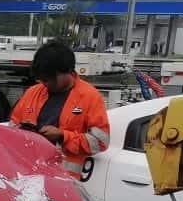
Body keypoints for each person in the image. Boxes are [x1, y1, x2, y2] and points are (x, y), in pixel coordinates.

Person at [10, 41, 111, 179]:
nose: (45, 84)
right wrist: (23, 130)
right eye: (42, 80)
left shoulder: (90, 97)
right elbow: (11, 128)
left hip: (63, 182)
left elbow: (100, 142)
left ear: (67, 71)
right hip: (28, 177)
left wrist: (63, 136)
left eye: (49, 79)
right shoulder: (33, 92)